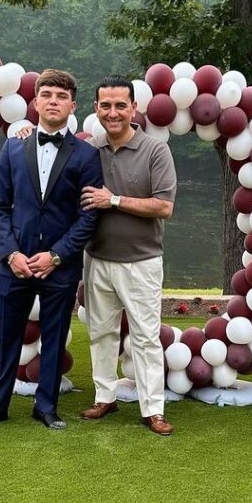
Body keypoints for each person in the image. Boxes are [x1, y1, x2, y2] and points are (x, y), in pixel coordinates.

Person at [0, 69, 102, 431]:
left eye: (61, 96)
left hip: (59, 266)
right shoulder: (12, 147)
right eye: (48, 94)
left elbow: (88, 217)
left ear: (73, 105)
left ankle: (46, 408)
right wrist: (11, 255)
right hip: (16, 263)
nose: (54, 101)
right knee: (4, 338)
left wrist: (55, 256)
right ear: (36, 101)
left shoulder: (87, 156)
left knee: (54, 339)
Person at [80, 77, 178, 435]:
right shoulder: (89, 150)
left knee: (145, 338)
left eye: (120, 105)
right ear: (96, 109)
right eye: (105, 105)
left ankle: (153, 409)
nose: (113, 112)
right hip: (98, 260)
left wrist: (114, 200)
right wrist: (25, 131)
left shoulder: (155, 150)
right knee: (100, 333)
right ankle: (105, 397)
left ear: (134, 108)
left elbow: (164, 206)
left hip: (141, 262)